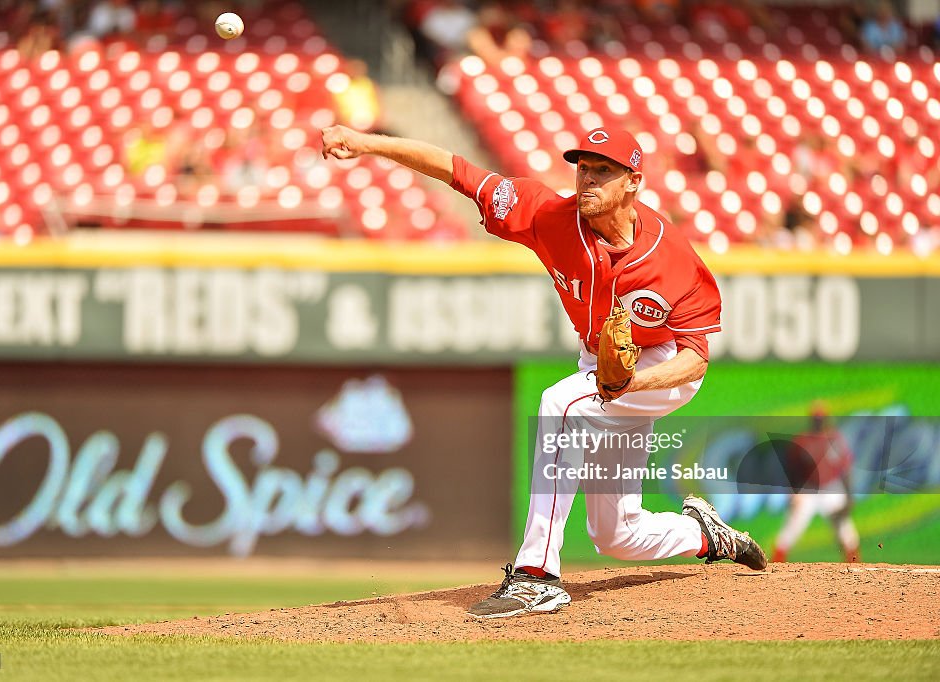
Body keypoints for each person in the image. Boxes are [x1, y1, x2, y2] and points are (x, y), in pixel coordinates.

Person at [321, 123, 768, 618]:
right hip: (602, 363)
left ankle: (537, 576)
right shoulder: (547, 214)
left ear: (634, 182)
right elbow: (457, 169)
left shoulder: (670, 256)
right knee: (618, 534)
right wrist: (367, 143)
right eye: (583, 168)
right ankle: (705, 535)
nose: (588, 180)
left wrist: (631, 384)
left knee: (561, 403)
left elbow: (695, 358)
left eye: (604, 171)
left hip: (661, 369)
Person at [772, 404, 860, 563]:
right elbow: (792, 470)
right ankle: (775, 564)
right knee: (792, 528)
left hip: (831, 488)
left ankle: (855, 566)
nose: (819, 422)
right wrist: (793, 492)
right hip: (808, 491)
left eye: (821, 419)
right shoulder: (802, 440)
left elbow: (845, 470)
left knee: (846, 530)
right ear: (811, 420)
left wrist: (849, 496)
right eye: (816, 419)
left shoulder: (834, 439)